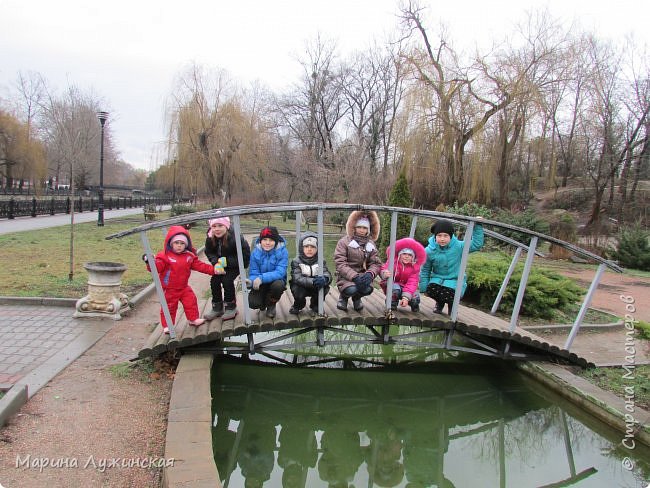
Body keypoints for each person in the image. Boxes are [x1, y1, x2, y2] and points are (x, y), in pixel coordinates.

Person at [144, 225, 217, 333]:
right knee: (169, 307)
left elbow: (199, 265)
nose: (179, 246)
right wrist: (149, 261)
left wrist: (214, 270)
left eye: (182, 243)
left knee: (191, 301)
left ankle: (193, 319)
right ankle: (168, 325)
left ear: (186, 245)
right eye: (176, 243)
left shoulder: (188, 256)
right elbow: (157, 268)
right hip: (169, 288)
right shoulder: (165, 256)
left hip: (183, 287)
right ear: (171, 243)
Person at [419, 218, 484, 315]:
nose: (442, 239)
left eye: (446, 236)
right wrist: (423, 288)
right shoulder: (429, 251)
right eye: (439, 236)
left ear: (451, 236)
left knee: (450, 293)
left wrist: (478, 225)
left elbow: (476, 244)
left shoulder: (459, 246)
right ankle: (440, 303)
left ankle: (452, 306)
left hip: (454, 280)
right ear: (434, 236)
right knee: (431, 289)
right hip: (437, 279)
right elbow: (425, 270)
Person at [204, 216, 251, 321]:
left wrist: (227, 261)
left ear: (226, 226)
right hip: (220, 264)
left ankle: (231, 307)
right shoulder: (210, 237)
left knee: (227, 280)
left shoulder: (235, 237)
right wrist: (216, 262)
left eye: (220, 225)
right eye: (214, 226)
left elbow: (244, 254)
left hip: (235, 264)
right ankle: (217, 307)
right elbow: (209, 252)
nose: (217, 229)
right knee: (215, 281)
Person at [334, 210, 382, 312]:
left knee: (368, 288)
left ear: (368, 230)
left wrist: (370, 274)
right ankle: (343, 297)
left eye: (364, 228)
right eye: (359, 227)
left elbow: (375, 263)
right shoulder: (344, 242)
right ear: (354, 227)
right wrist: (354, 277)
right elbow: (340, 263)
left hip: (362, 275)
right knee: (352, 289)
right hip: (346, 276)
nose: (361, 230)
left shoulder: (371, 244)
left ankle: (357, 298)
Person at [248, 226, 289, 319]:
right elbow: (254, 272)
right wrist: (251, 281)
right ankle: (264, 302)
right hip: (260, 282)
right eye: (264, 239)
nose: (267, 243)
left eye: (271, 240)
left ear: (276, 241)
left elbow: (280, 272)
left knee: (278, 286)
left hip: (276, 281)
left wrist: (261, 278)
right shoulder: (255, 252)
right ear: (260, 240)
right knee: (253, 303)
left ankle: (271, 304)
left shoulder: (283, 252)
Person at [289, 232, 332, 316]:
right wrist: (313, 281)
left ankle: (315, 305)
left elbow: (327, 273)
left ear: (317, 249)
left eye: (312, 247)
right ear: (302, 248)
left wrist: (325, 279)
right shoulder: (296, 261)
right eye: (306, 247)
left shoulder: (321, 260)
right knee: (297, 291)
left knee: (324, 287)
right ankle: (298, 305)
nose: (309, 249)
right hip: (301, 286)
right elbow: (297, 278)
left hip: (316, 285)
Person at [379, 237, 426, 312]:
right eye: (404, 254)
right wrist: (384, 273)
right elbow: (383, 268)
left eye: (410, 255)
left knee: (415, 297)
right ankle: (392, 303)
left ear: (413, 257)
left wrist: (406, 297)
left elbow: (412, 282)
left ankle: (414, 305)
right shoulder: (393, 262)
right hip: (394, 285)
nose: (406, 256)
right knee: (395, 289)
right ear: (399, 254)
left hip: (406, 287)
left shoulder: (414, 268)